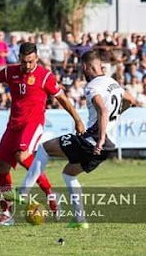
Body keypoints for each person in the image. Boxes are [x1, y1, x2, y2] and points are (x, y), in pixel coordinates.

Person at [0, 42, 85, 226]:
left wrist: (77, 119)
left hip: (33, 123)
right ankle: (7, 213)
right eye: (23, 61)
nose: (26, 65)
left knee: (22, 155)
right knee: (2, 168)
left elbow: (62, 99)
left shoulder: (45, 76)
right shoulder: (10, 71)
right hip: (13, 125)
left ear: (36, 58)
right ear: (18, 58)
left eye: (30, 62)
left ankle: (50, 193)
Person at [18, 50, 138, 229]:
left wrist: (100, 138)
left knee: (44, 148)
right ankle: (80, 220)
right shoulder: (113, 84)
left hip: (92, 142)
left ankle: (23, 192)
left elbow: (103, 111)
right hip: (108, 147)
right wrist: (116, 116)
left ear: (86, 67)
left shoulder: (92, 87)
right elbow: (131, 100)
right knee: (68, 174)